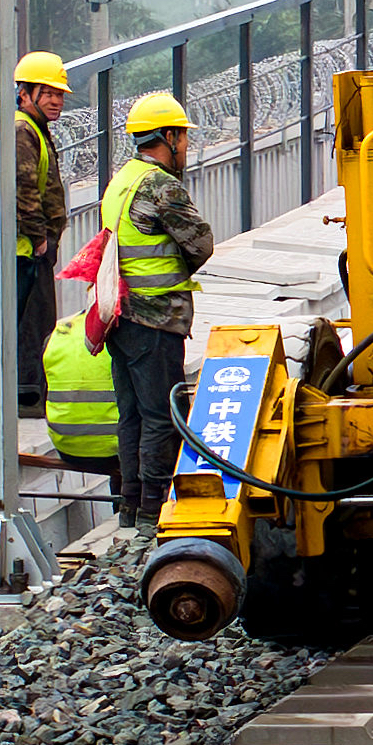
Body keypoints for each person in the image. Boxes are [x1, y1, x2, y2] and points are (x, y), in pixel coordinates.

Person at [103, 90, 217, 524]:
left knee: (130, 415)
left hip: (120, 316)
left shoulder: (122, 179)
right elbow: (200, 243)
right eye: (183, 138)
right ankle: (154, 509)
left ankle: (129, 505)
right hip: (155, 318)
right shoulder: (161, 185)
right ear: (168, 137)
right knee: (161, 415)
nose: (185, 146)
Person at [14, 51, 71, 417]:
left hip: (34, 247)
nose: (56, 101)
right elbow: (23, 187)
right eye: (47, 93)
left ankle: (31, 391)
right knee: (31, 322)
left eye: (60, 94)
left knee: (39, 319)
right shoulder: (22, 130)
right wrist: (38, 237)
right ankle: (27, 394)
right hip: (26, 249)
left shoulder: (35, 129)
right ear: (25, 93)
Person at [42, 309, 119, 491]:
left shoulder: (60, 331)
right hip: (114, 450)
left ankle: (122, 503)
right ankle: (128, 507)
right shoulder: (122, 330)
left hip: (66, 444)